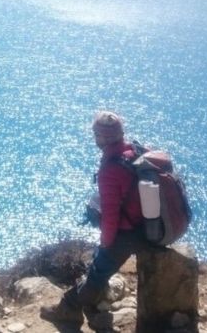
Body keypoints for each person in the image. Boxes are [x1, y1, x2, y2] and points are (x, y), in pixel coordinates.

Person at [40, 111, 152, 330]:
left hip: (131, 233)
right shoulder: (136, 151)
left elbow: (110, 217)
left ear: (102, 137)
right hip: (151, 225)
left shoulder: (111, 168)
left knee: (98, 269)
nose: (94, 137)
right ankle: (93, 301)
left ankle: (67, 309)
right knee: (99, 261)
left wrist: (106, 242)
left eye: (95, 134)